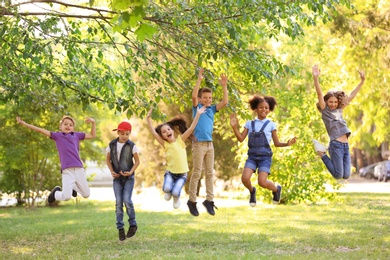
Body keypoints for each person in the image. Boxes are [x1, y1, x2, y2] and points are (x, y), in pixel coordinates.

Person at [230, 95, 296, 207]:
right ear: (255, 108)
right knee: (245, 179)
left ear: (269, 110)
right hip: (252, 157)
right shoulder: (249, 124)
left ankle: (276, 189)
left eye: (266, 108)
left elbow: (276, 143)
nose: (264, 110)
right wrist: (234, 127)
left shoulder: (271, 125)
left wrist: (287, 144)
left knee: (262, 182)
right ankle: (252, 191)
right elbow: (241, 139)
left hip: (265, 158)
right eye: (261, 107)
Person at [16, 116, 96, 204]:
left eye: (71, 125)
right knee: (66, 197)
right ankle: (56, 193)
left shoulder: (77, 135)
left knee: (86, 194)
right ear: (60, 126)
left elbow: (92, 135)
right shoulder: (57, 136)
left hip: (79, 169)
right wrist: (25, 124)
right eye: (65, 124)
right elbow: (40, 130)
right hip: (67, 170)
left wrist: (93, 123)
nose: (68, 126)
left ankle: (73, 187)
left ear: (73, 128)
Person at [146, 106, 206, 210]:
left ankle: (176, 197)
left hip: (182, 174)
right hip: (170, 172)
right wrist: (148, 119)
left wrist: (198, 114)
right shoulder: (165, 144)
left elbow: (191, 128)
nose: (167, 132)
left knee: (175, 192)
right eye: (164, 132)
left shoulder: (180, 140)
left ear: (172, 131)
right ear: (163, 136)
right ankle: (169, 191)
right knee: (167, 188)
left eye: (168, 129)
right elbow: (153, 133)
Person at [312, 64, 365, 179]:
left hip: (345, 145)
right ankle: (322, 154)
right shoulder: (325, 111)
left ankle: (324, 153)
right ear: (326, 102)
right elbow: (319, 94)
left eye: (335, 102)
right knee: (338, 175)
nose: (333, 104)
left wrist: (362, 81)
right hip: (335, 145)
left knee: (346, 175)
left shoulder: (339, 110)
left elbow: (352, 95)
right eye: (330, 102)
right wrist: (316, 78)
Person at [187, 68, 228, 216]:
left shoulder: (211, 110)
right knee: (197, 172)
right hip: (198, 145)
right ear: (200, 99)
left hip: (209, 145)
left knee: (210, 173)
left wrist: (224, 86)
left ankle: (209, 201)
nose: (208, 100)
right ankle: (192, 201)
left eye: (210, 98)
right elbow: (193, 95)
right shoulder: (197, 108)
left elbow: (225, 101)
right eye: (205, 98)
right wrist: (199, 79)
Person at [106, 121, 140, 241]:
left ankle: (133, 225)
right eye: (123, 133)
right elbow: (107, 160)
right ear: (118, 132)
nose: (125, 136)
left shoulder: (132, 145)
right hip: (117, 179)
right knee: (118, 202)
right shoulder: (111, 145)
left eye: (127, 134)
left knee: (127, 200)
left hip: (128, 178)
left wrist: (130, 171)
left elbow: (137, 162)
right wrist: (112, 172)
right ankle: (120, 228)